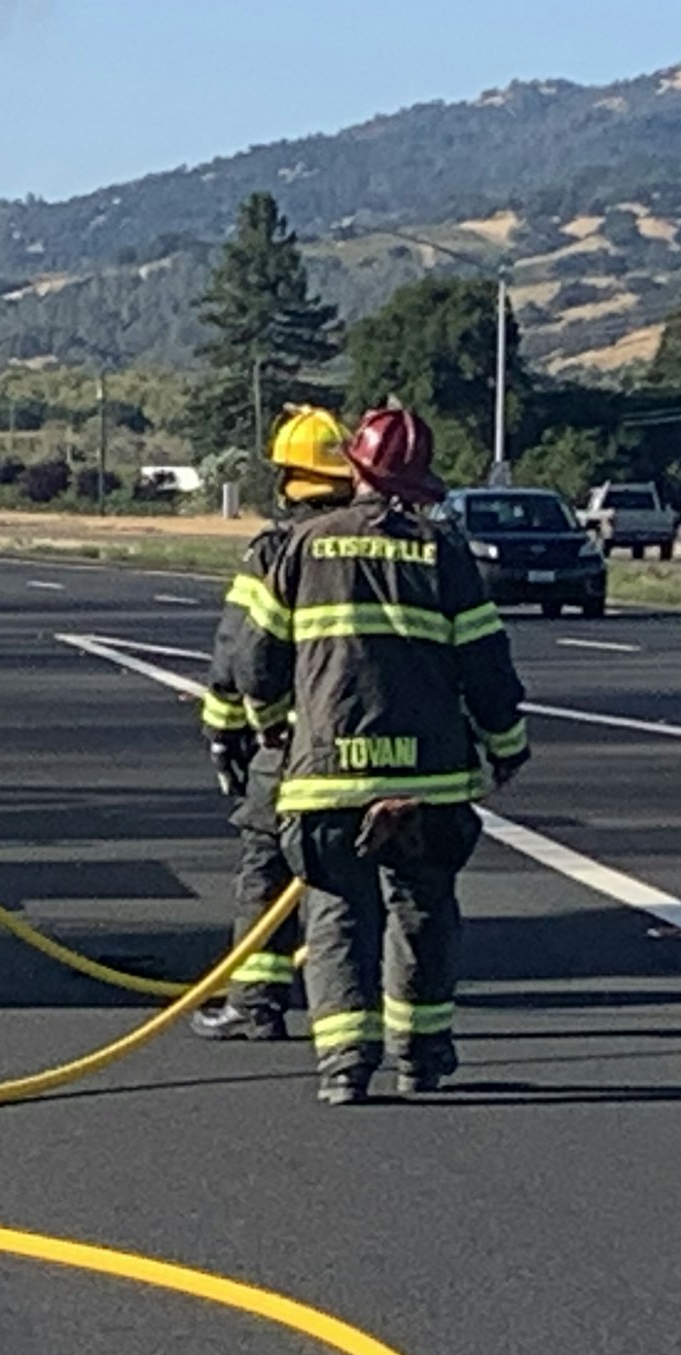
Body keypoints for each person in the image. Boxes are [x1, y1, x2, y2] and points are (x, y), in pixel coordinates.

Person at [227, 406, 530, 1105]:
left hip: (326, 779)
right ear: (421, 484)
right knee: (422, 908)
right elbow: (487, 665)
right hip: (428, 780)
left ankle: (343, 1066)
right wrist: (507, 746)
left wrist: (271, 726)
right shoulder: (443, 551)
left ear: (356, 469)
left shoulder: (301, 546)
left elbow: (254, 660)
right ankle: (420, 1056)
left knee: (336, 911)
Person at [190, 407, 356, 1043]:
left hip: (290, 745)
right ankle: (361, 1009)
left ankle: (255, 1002)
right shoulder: (396, 542)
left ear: (289, 476)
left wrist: (230, 732)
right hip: (378, 745)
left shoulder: (277, 551)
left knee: (266, 861)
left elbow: (241, 654)